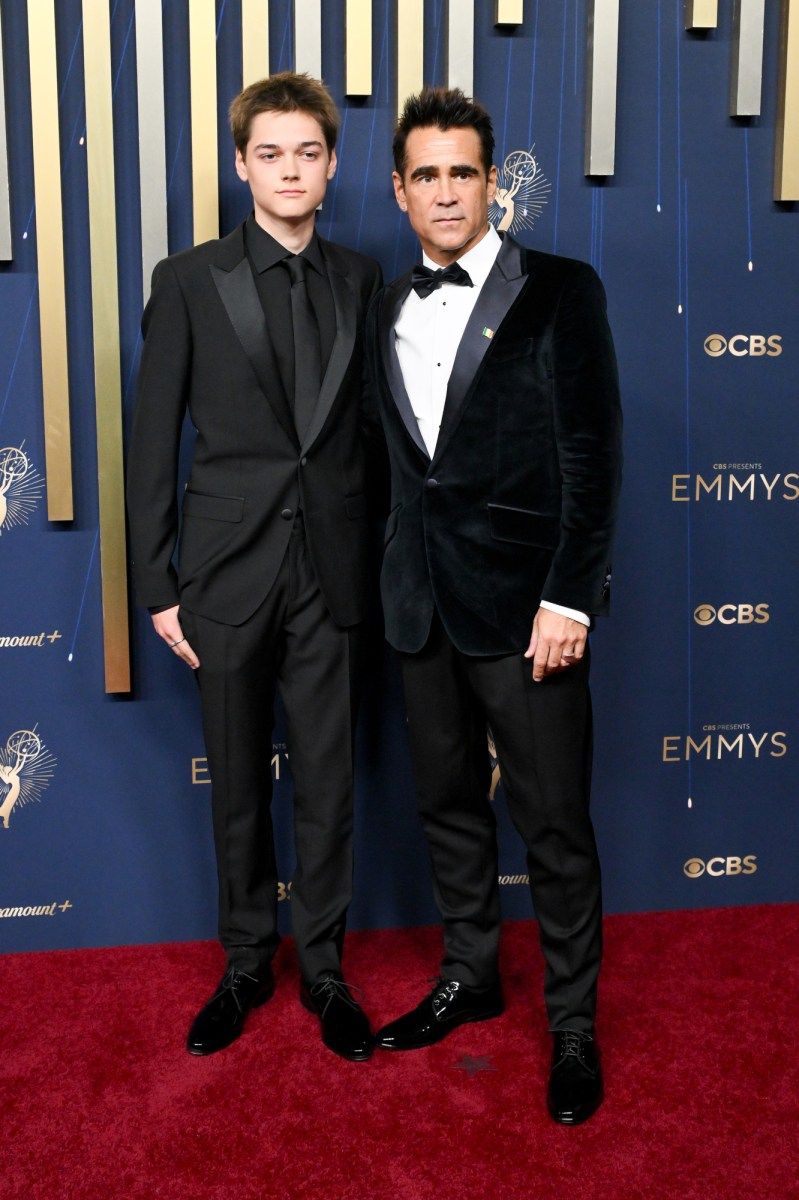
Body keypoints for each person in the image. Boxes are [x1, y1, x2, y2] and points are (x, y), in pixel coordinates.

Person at [364, 87, 622, 1124]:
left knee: (552, 823)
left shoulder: (560, 290)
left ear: (491, 183)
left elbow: (592, 456)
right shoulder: (384, 304)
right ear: (399, 190)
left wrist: (571, 596)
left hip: (527, 611)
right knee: (447, 807)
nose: (444, 192)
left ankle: (573, 1025)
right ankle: (470, 975)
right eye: (425, 174)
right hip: (419, 605)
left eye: (462, 172)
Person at [126, 72, 381, 1062]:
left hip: (333, 572)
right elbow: (153, 444)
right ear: (241, 165)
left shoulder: (361, 278)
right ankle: (243, 964)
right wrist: (157, 585)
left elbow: (371, 438)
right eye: (269, 153)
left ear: (331, 164)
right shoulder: (188, 279)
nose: (289, 170)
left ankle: (324, 968)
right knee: (236, 783)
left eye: (307, 152)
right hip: (225, 573)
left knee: (328, 782)